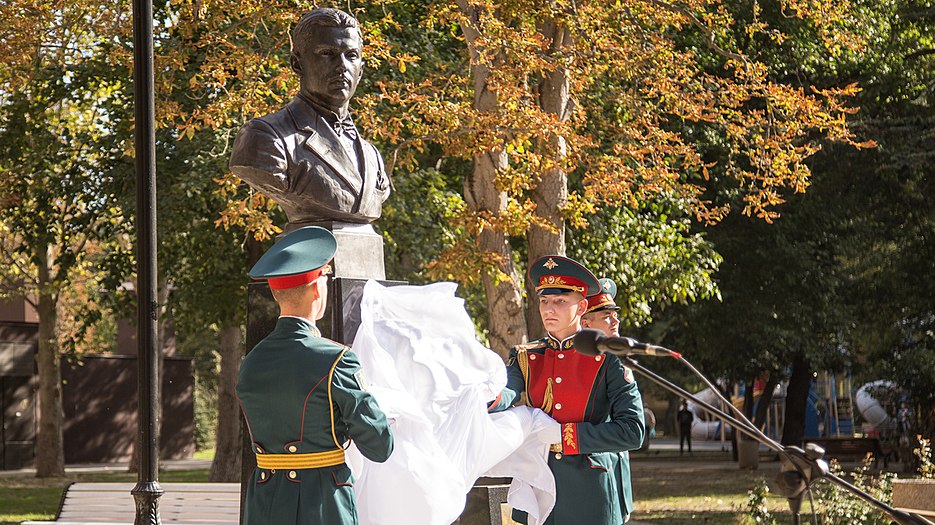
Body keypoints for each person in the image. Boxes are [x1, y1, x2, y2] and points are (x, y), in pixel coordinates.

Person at [236, 226, 394, 525]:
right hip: (322, 503)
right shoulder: (337, 360)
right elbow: (379, 445)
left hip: (264, 505)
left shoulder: (251, 363)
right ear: (318, 290)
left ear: (274, 292)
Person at [489, 256, 645, 524]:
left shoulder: (609, 358)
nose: (549, 309)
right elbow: (506, 392)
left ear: (582, 306)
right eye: (544, 301)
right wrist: (483, 396)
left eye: (560, 301)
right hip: (539, 485)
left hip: (589, 493)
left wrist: (565, 436)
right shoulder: (526, 356)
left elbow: (633, 431)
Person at [230, 8, 391, 228]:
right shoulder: (265, 137)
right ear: (297, 64)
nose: (342, 65)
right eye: (327, 53)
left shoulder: (373, 157)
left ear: (361, 70)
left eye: (351, 55)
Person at [580, 277, 641, 510]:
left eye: (615, 314)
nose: (615, 320)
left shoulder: (615, 359)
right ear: (585, 323)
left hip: (610, 470)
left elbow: (631, 428)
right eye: (606, 316)